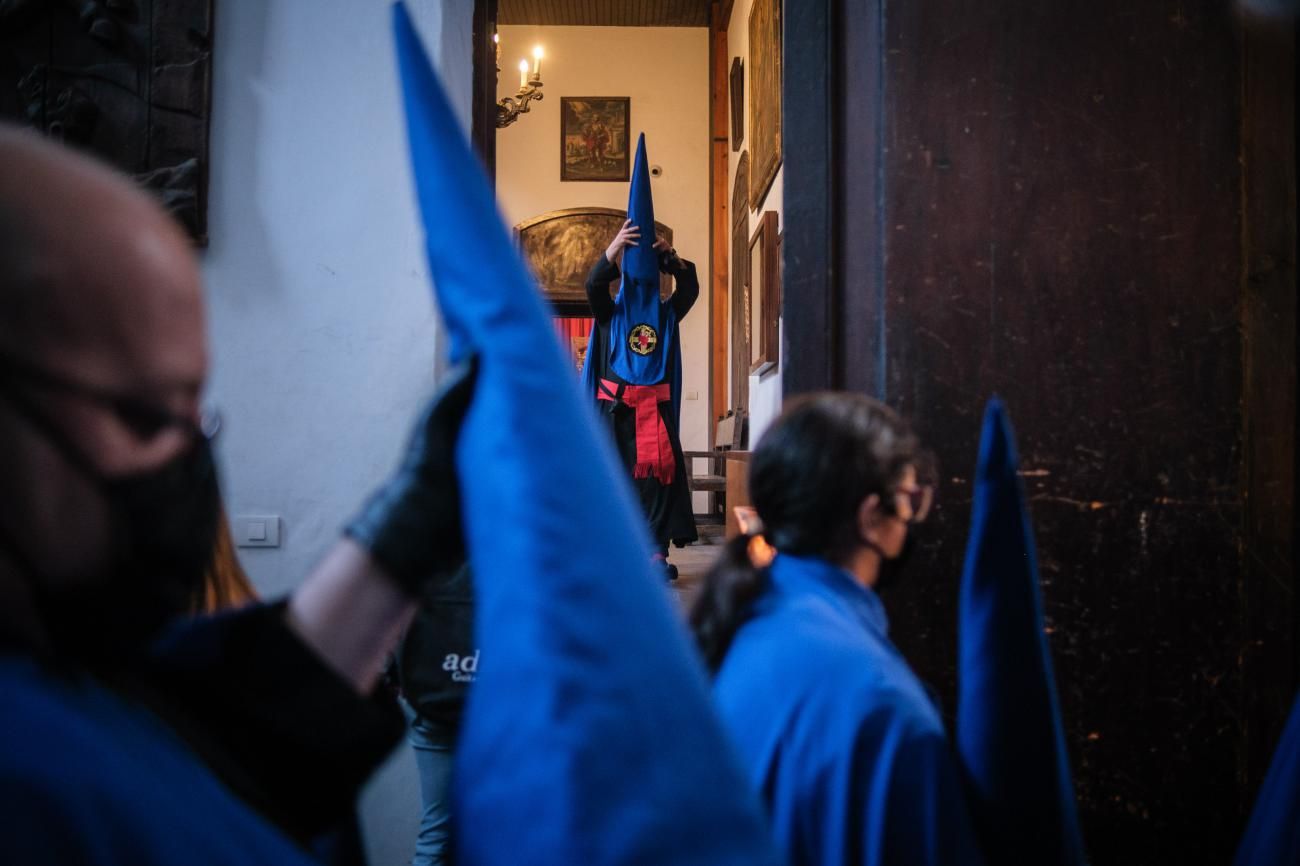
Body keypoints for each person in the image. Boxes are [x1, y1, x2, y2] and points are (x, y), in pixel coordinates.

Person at [0, 123, 474, 864]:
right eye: (149, 414)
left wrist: (408, 531)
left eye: (199, 412)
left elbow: (234, 750)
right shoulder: (30, 799)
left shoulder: (70, 657)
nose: (188, 459)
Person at [689, 393, 987, 866]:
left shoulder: (736, 620)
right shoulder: (886, 710)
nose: (912, 520)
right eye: (910, 500)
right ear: (872, 517)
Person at [583, 134, 699, 579]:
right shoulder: (610, 315)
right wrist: (612, 253)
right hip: (616, 414)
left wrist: (671, 259)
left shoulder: (667, 315)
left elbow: (689, 288)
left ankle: (655, 552)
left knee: (658, 481)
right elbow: (595, 287)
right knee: (617, 481)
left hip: (657, 411)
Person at [388, 562, 476, 866]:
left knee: (437, 831)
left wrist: (394, 677)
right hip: (501, 707)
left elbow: (393, 614)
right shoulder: (514, 539)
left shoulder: (430, 543)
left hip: (431, 701)